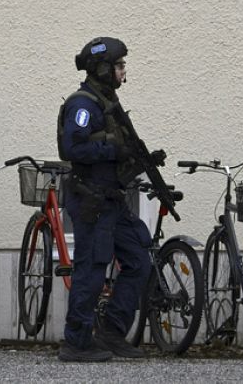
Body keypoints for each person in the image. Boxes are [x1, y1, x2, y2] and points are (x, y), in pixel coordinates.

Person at [56, 37, 152, 362]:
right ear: (102, 68)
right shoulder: (83, 105)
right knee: (92, 269)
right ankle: (77, 341)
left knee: (139, 257)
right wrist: (114, 150)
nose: (124, 71)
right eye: (119, 65)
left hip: (113, 199)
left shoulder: (106, 103)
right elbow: (73, 148)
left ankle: (111, 331)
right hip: (92, 201)